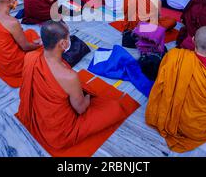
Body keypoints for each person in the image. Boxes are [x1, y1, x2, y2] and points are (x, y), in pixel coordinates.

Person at [16, 20, 134, 155]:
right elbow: (81, 109)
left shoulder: (30, 57)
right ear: (63, 44)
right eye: (68, 36)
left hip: (37, 116)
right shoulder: (69, 77)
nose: (69, 39)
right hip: (59, 132)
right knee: (115, 108)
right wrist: (88, 97)